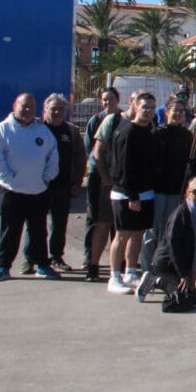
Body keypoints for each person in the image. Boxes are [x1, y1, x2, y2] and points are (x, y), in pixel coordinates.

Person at [0, 93, 59, 281]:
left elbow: (53, 156)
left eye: (32, 107)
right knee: (10, 232)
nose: (28, 110)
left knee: (38, 231)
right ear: (15, 106)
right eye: (24, 106)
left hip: (38, 191)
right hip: (12, 192)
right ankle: (3, 267)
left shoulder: (42, 131)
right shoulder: (3, 130)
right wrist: (9, 179)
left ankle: (42, 265)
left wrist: (46, 178)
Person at [99, 92, 160, 295]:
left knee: (138, 234)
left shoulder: (150, 130)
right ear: (135, 107)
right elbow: (123, 167)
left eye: (152, 107)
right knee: (122, 234)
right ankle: (114, 276)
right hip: (125, 194)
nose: (149, 111)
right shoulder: (127, 132)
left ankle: (130, 272)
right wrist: (132, 195)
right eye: (145, 107)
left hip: (146, 192)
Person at [26, 93, 85, 273]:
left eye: (61, 109)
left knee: (59, 224)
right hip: (39, 186)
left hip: (63, 186)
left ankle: (56, 257)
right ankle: (31, 259)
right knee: (35, 224)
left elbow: (80, 159)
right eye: (53, 108)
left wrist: (77, 182)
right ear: (45, 110)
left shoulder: (71, 132)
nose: (57, 112)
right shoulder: (35, 129)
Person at [137, 176, 196, 307]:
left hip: (184, 265)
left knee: (190, 297)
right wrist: (183, 275)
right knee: (179, 299)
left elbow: (195, 251)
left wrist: (191, 282)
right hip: (168, 263)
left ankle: (180, 285)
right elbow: (173, 246)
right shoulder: (181, 214)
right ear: (187, 193)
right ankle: (155, 279)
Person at [143, 98, 195, 273]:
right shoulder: (157, 133)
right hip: (157, 188)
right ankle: (147, 266)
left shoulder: (187, 136)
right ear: (167, 112)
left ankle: (162, 265)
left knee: (168, 229)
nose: (178, 114)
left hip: (175, 189)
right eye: (175, 110)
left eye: (182, 111)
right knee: (153, 229)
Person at [82, 86, 120, 282]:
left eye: (111, 99)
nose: (107, 102)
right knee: (98, 220)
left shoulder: (123, 120)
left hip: (118, 179)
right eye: (104, 99)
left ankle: (118, 264)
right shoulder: (96, 120)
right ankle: (91, 262)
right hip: (101, 177)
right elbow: (91, 149)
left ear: (117, 100)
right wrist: (104, 176)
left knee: (118, 225)